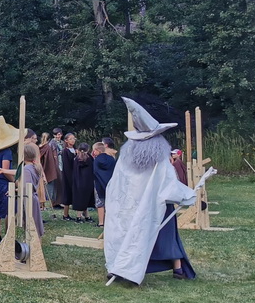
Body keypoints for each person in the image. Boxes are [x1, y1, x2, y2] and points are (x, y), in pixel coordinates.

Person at [105, 98, 197, 284]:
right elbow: (169, 184)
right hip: (150, 205)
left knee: (142, 233)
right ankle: (126, 267)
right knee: (164, 235)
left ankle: (175, 268)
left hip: (139, 205)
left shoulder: (128, 156)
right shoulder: (158, 158)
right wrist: (187, 195)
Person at [22, 143, 45, 238]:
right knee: (34, 224)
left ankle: (35, 245)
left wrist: (17, 190)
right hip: (32, 198)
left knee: (33, 225)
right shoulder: (34, 167)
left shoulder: (26, 169)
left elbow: (28, 185)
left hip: (29, 199)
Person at [93, 141, 116, 227]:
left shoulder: (97, 160)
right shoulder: (111, 159)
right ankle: (109, 221)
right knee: (109, 203)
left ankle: (101, 222)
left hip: (99, 184)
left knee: (100, 204)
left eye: (94, 150)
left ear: (97, 150)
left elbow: (95, 172)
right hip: (110, 184)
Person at [72, 142, 96, 223]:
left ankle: (86, 216)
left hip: (78, 182)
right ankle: (79, 217)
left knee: (81, 198)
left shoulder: (77, 158)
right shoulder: (89, 158)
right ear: (88, 149)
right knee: (84, 199)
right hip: (87, 182)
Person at [38, 132, 60, 213]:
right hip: (47, 169)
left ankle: (42, 205)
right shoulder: (48, 147)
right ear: (49, 139)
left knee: (41, 187)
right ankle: (45, 204)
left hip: (40, 167)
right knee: (47, 188)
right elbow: (50, 159)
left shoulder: (39, 146)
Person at [59, 133, 78, 220]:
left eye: (74, 138)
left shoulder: (75, 150)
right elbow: (66, 165)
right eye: (70, 139)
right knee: (67, 194)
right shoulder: (65, 151)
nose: (73, 140)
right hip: (68, 175)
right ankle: (65, 214)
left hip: (76, 174)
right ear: (66, 140)